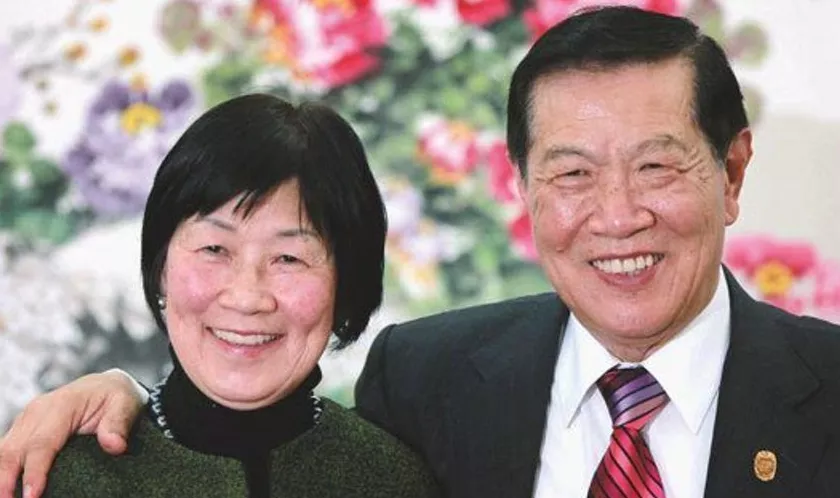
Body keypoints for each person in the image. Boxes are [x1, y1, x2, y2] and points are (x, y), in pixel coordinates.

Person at [2, 6, 840, 498]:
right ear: (523, 187)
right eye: (573, 173)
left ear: (732, 172)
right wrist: (122, 394)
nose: (617, 215)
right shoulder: (426, 380)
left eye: (656, 166)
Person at [0, 93, 439, 497]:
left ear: (346, 284)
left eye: (289, 258)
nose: (246, 297)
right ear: (161, 268)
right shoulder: (58, 479)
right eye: (214, 249)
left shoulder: (393, 481)